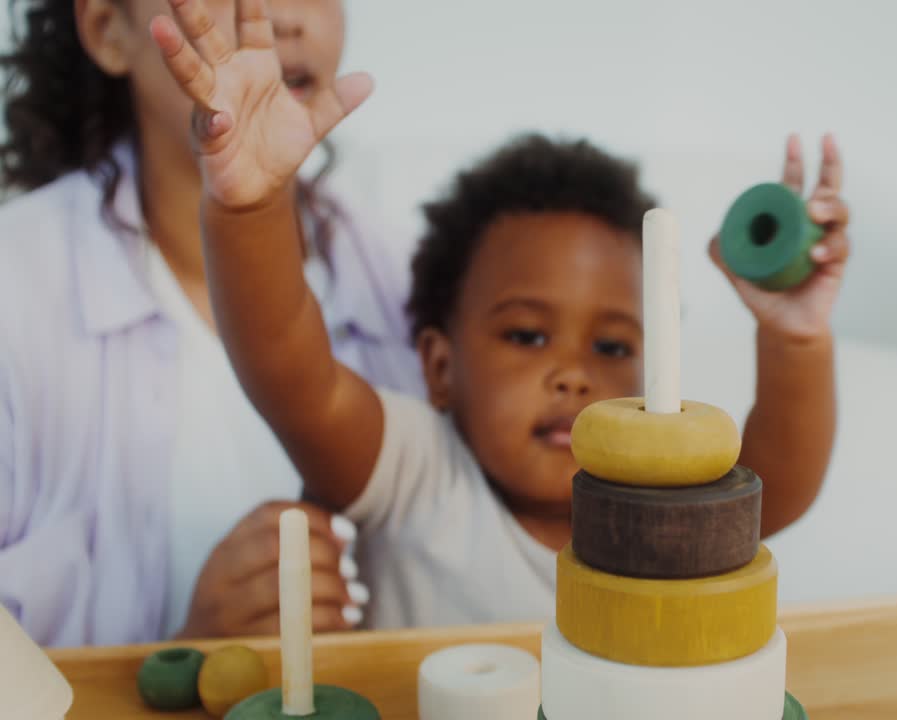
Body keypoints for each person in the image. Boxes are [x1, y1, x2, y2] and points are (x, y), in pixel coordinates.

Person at [152, 0, 849, 627]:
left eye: (612, 347)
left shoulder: (657, 508)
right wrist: (252, 206)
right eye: (527, 335)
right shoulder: (415, 473)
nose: (572, 376)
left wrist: (795, 338)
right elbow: (288, 371)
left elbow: (775, 487)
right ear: (440, 365)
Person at [0, 0, 422, 646]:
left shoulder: (409, 281)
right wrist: (178, 661)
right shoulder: (17, 288)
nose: (284, 19)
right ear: (108, 30)